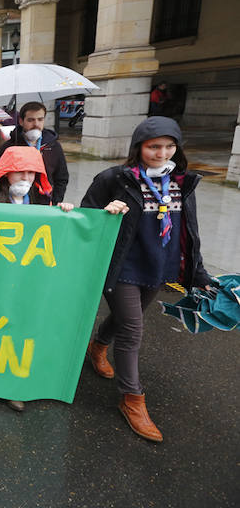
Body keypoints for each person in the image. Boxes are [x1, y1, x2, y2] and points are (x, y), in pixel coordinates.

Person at [81, 116, 211, 442]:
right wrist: (104, 212)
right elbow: (86, 215)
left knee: (127, 319)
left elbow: (189, 232)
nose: (162, 153)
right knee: (132, 329)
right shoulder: (116, 178)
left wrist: (199, 273)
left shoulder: (182, 182)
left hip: (159, 268)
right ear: (138, 146)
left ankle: (97, 347)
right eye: (154, 146)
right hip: (122, 266)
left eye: (169, 146)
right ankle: (132, 399)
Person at [0, 145, 74, 411]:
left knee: (21, 327)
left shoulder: (42, 200)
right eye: (18, 172)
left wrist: (65, 214)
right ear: (5, 174)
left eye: (31, 172)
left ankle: (14, 385)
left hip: (27, 278)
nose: (25, 178)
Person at [0, 102, 69, 204]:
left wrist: (55, 201)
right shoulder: (9, 147)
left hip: (44, 203)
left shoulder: (54, 146)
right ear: (21, 121)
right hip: (12, 203)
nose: (36, 124)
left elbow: (61, 178)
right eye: (31, 120)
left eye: (40, 119)